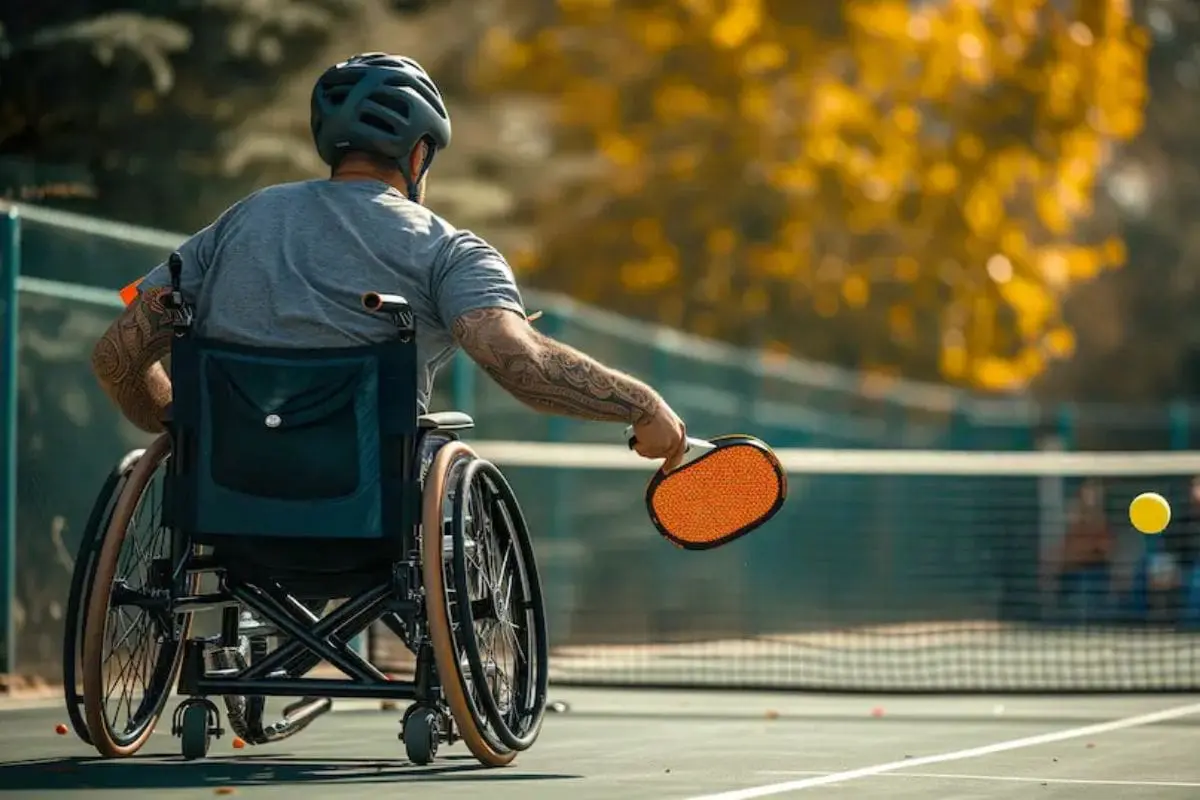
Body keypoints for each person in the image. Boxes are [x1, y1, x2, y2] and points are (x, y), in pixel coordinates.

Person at [89, 52, 689, 470]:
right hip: (369, 504)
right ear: (421, 153)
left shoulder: (241, 220)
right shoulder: (449, 248)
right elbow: (521, 365)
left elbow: (117, 356)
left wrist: (184, 425)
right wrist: (642, 405)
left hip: (225, 489)